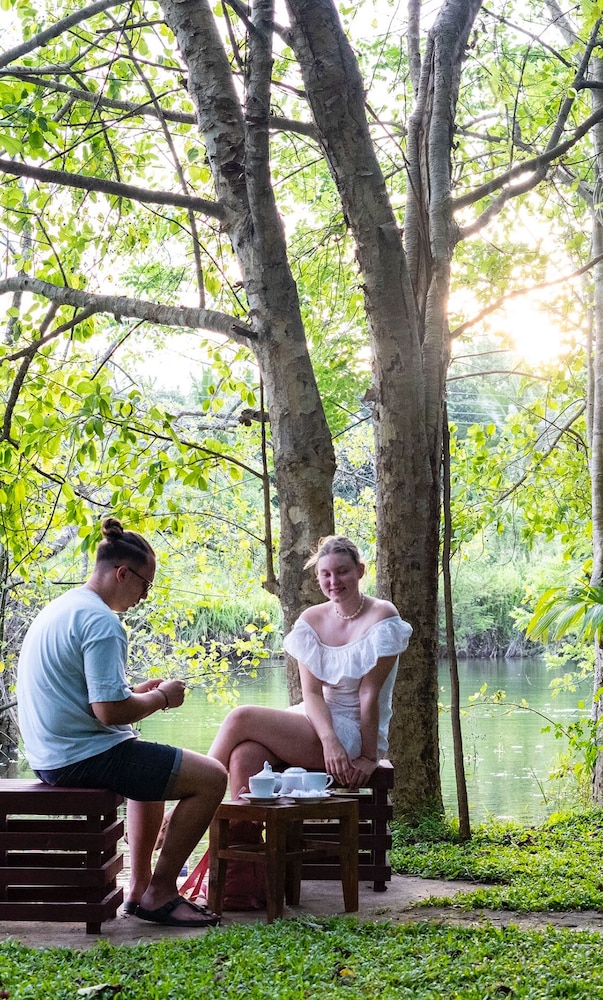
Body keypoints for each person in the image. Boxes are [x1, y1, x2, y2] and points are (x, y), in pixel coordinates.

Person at [16, 516, 227, 928]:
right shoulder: (102, 622)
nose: (144, 596)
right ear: (122, 573)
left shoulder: (62, 608)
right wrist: (162, 698)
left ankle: (140, 887)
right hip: (79, 757)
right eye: (145, 585)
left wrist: (138, 694)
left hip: (49, 753)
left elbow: (98, 697)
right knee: (211, 778)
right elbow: (109, 712)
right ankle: (162, 893)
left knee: (149, 762)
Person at [208, 535, 413, 794]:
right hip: (316, 720)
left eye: (342, 572)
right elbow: (312, 693)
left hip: (354, 732)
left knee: (241, 717)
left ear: (360, 571)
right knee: (244, 756)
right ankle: (243, 834)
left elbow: (369, 694)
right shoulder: (312, 619)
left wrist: (368, 756)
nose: (334, 581)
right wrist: (328, 739)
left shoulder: (382, 616)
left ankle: (199, 787)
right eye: (325, 574)